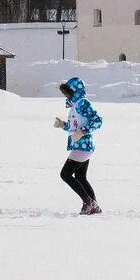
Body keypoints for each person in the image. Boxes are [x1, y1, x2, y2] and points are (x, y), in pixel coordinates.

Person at [54, 76, 103, 215]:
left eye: (68, 92)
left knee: (65, 174)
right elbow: (74, 126)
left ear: (76, 91)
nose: (66, 95)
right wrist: (63, 125)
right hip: (81, 146)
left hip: (84, 145)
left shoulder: (82, 103)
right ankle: (94, 205)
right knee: (80, 177)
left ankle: (88, 202)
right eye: (65, 93)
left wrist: (82, 132)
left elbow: (98, 121)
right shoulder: (75, 106)